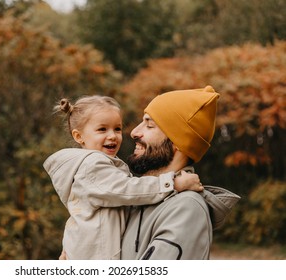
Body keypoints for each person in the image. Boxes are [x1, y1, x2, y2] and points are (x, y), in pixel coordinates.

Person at [43, 95, 203, 260]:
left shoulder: (187, 207)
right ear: (79, 137)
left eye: (117, 129)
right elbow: (130, 190)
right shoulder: (92, 167)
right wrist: (173, 183)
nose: (113, 136)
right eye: (102, 129)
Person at [120, 85, 241, 259]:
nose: (134, 132)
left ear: (178, 142)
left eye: (149, 126)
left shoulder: (186, 208)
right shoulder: (139, 196)